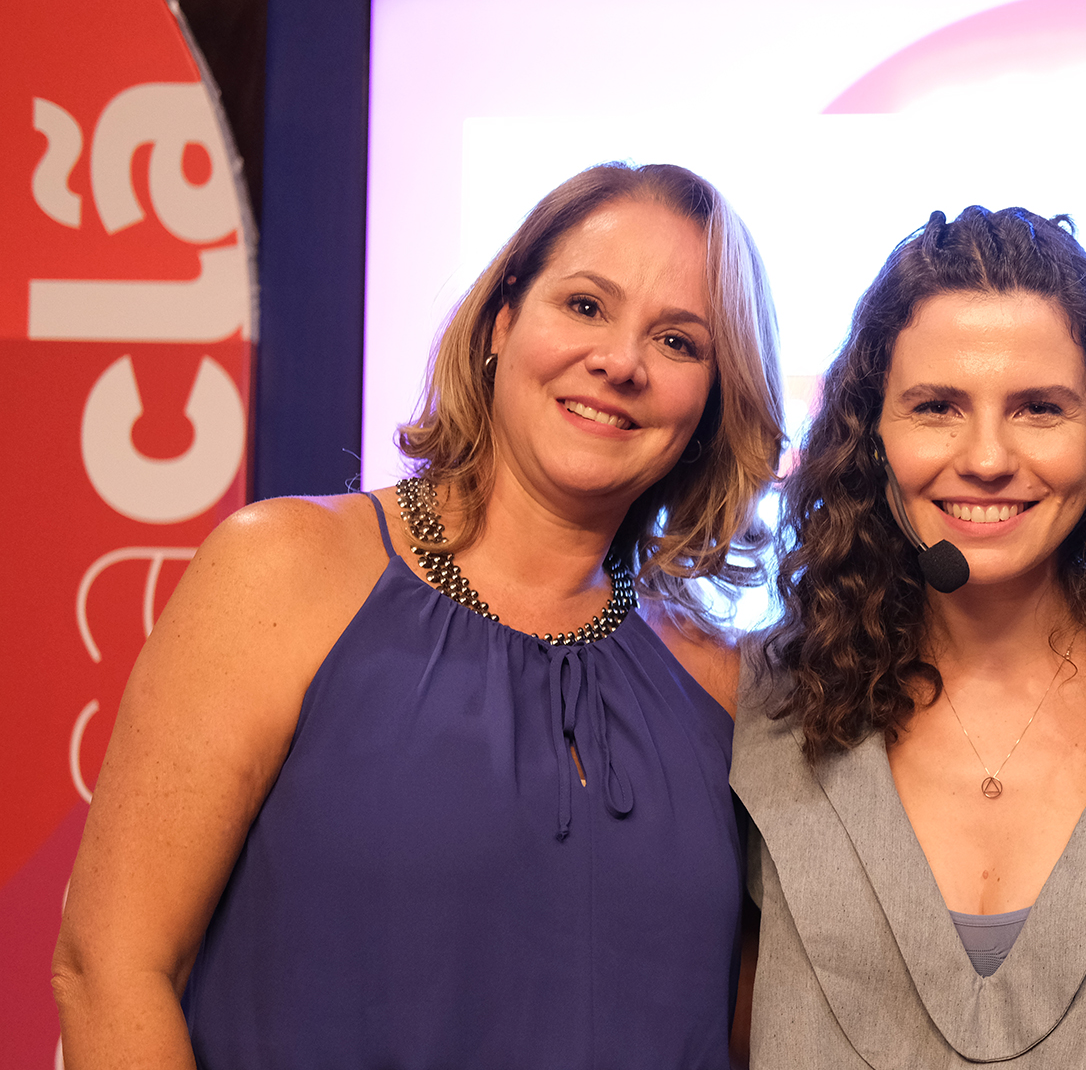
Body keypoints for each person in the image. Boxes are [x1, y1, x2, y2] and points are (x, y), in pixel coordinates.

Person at [52, 162, 784, 1069]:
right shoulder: (282, 570)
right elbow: (111, 968)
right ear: (503, 319)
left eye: (680, 343)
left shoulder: (721, 679)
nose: (621, 362)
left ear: (712, 404)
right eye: (586, 306)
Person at [732, 206, 1086, 1069]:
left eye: (1038, 408)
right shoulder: (765, 704)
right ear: (870, 437)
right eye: (935, 407)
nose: (987, 457)